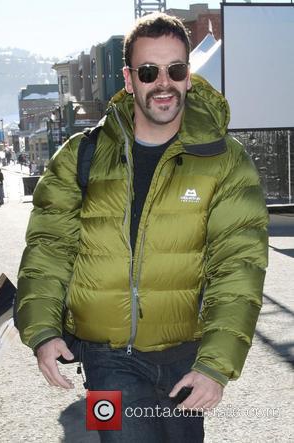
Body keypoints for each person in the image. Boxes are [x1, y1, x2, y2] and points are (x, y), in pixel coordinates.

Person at [16, 13, 269, 443]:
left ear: (189, 76)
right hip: (103, 360)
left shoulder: (226, 160)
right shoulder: (81, 155)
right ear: (130, 80)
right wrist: (41, 329)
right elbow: (48, 247)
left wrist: (215, 365)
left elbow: (239, 268)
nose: (164, 83)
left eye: (176, 69)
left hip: (186, 356)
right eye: (149, 71)